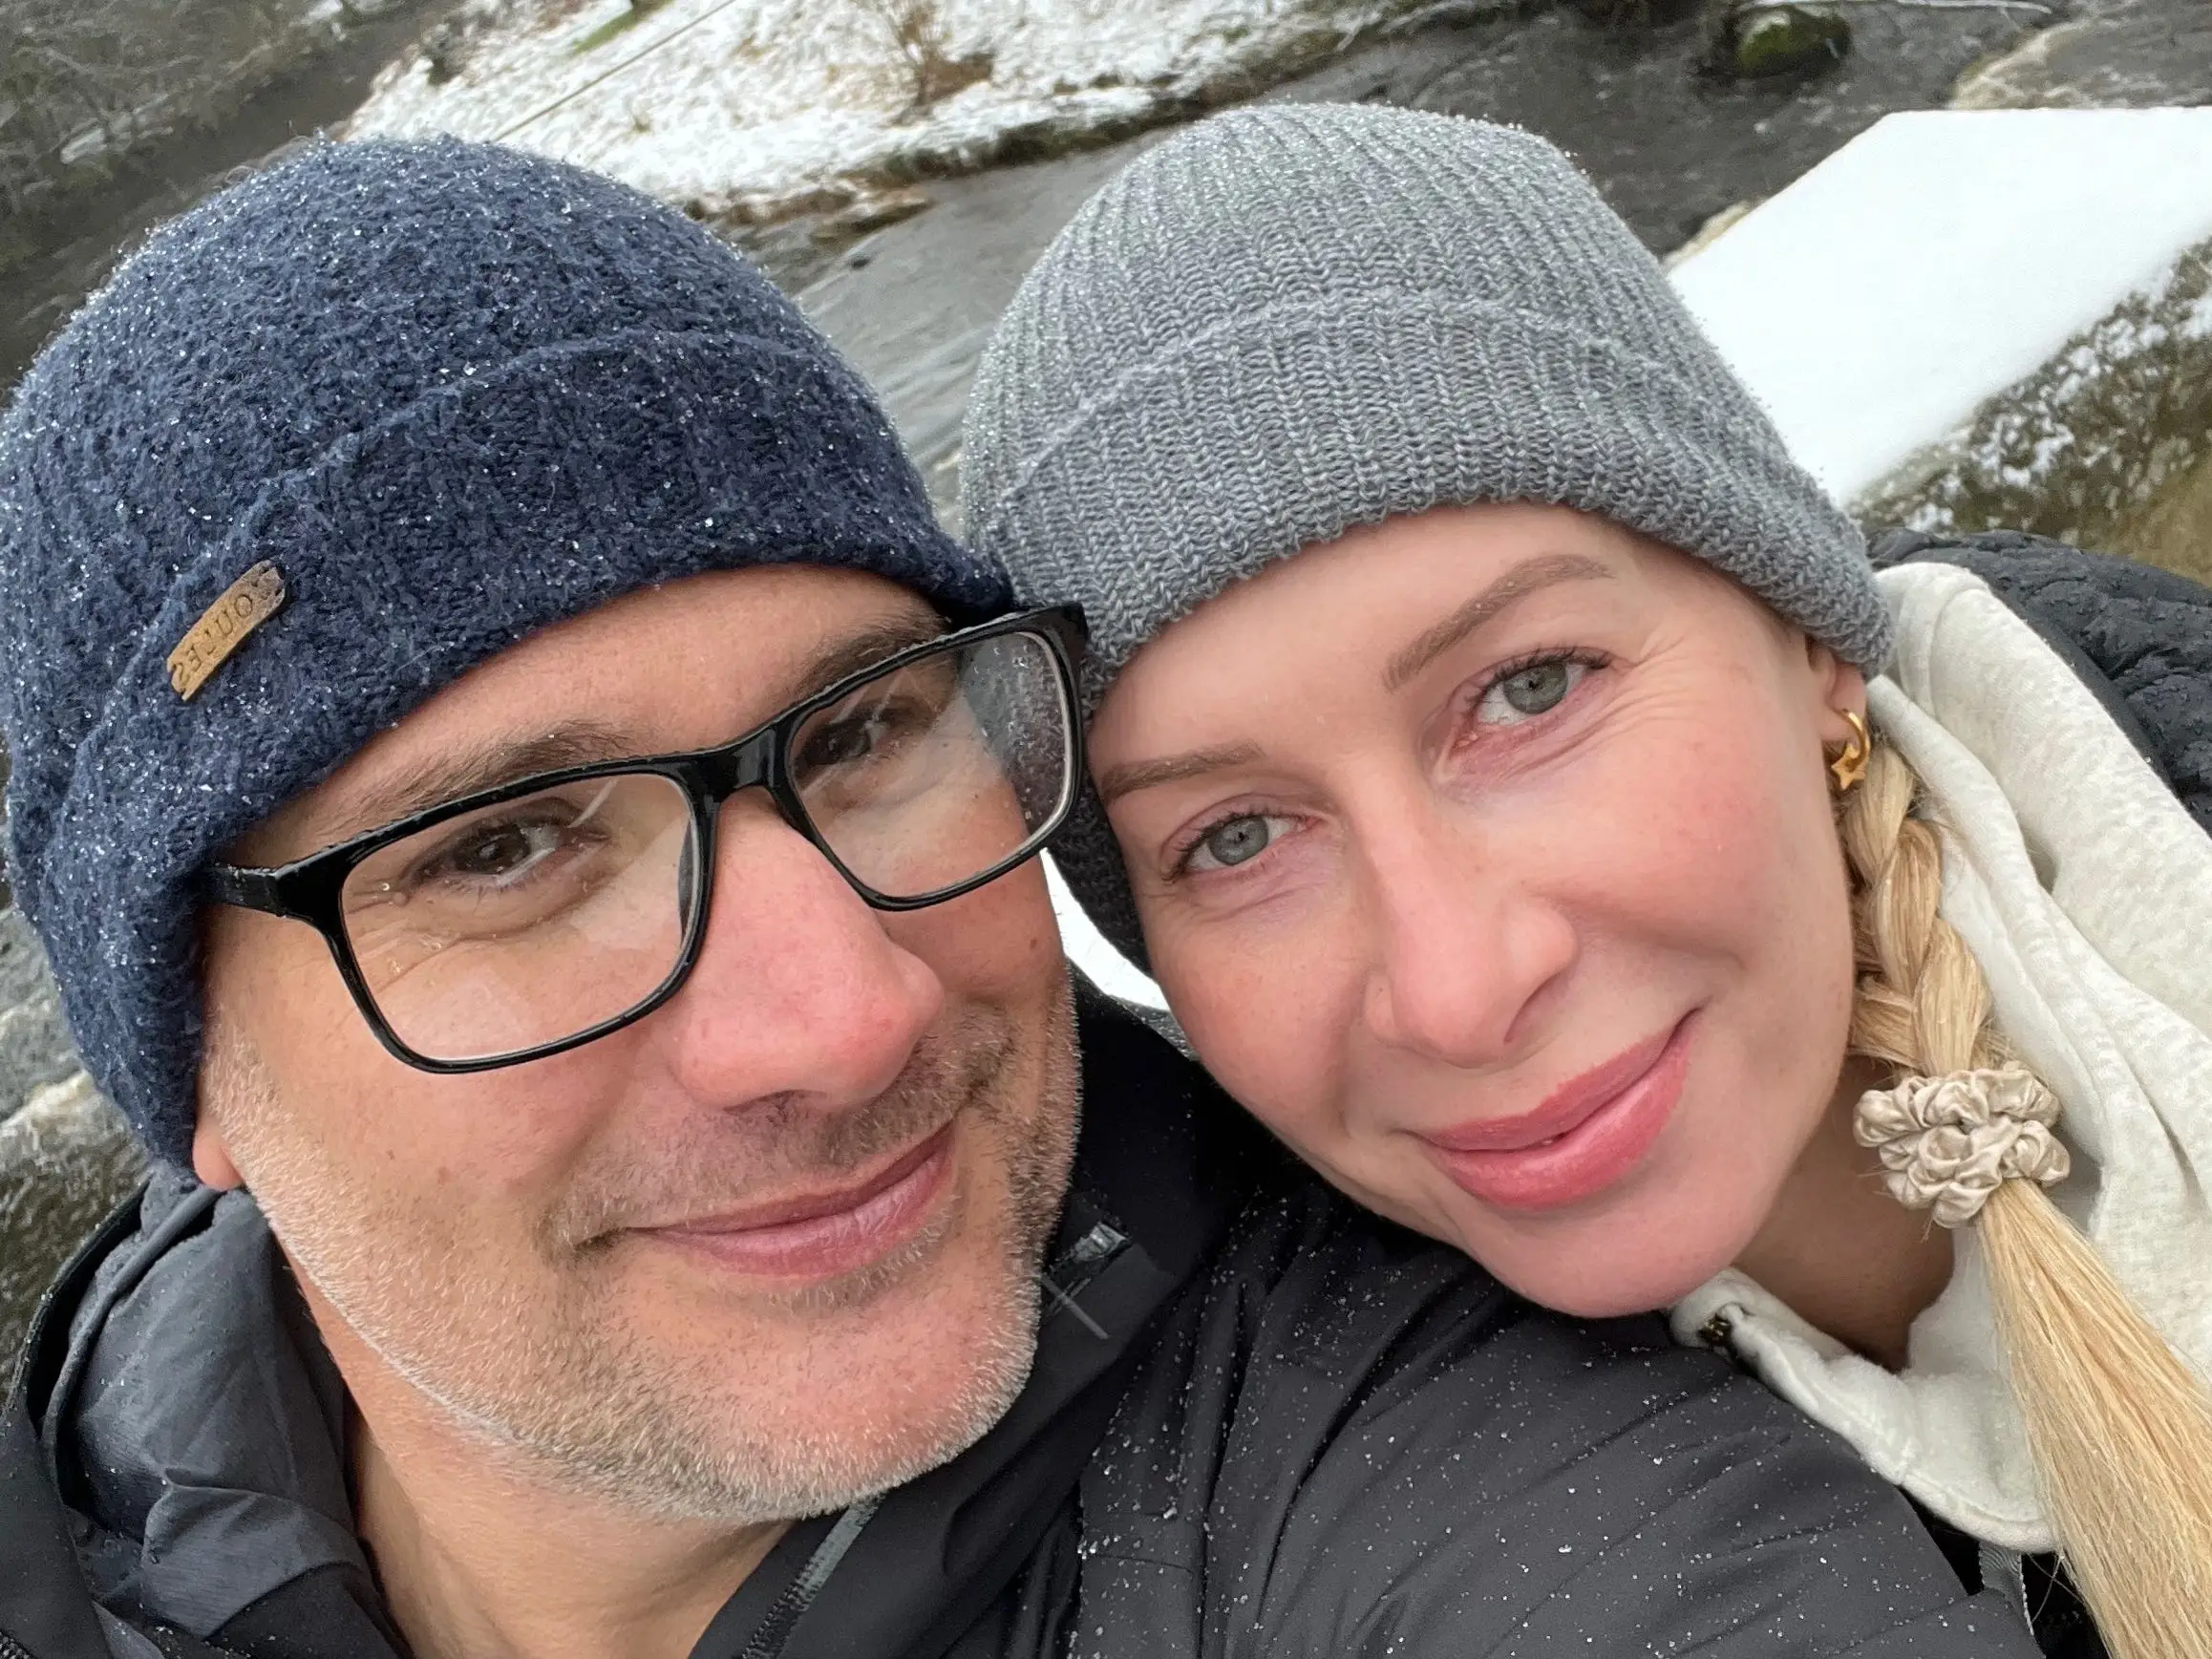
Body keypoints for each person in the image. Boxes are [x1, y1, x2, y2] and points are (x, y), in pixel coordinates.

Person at [0, 137, 2036, 1659]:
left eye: (865, 729)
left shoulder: (1436, 1468)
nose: (848, 1017)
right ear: (195, 1075)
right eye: (505, 848)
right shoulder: (75, 1512)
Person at [963, 103, 2212, 1659]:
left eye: (1533, 689)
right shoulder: (1361, 1489)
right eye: (1235, 837)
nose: (1461, 991)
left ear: (1812, 639)